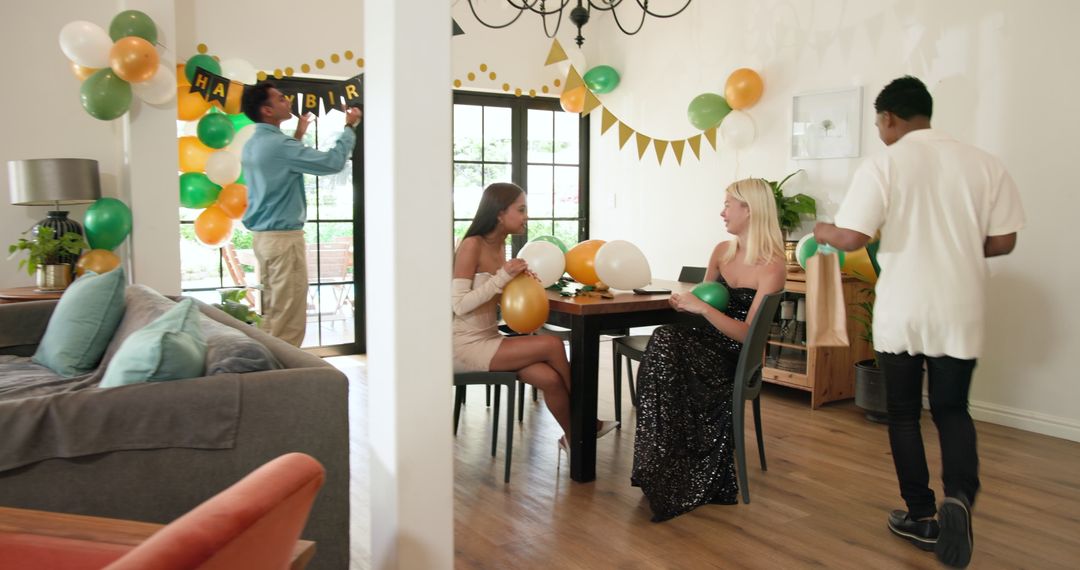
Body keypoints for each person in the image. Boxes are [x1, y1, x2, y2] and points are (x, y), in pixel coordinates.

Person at [813, 76, 1024, 568]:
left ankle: (921, 516)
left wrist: (823, 229)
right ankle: (960, 500)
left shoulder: (884, 164)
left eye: (878, 123)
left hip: (904, 308)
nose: (879, 131)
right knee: (952, 410)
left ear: (888, 118)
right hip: (960, 307)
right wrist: (958, 245)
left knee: (905, 414)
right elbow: (1003, 241)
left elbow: (852, 237)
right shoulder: (984, 162)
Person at [632, 178, 786, 521]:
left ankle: (670, 465)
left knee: (665, 343)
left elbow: (747, 336)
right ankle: (661, 462)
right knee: (664, 338)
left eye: (728, 204)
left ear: (750, 209)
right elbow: (703, 302)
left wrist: (701, 308)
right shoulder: (721, 252)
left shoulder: (772, 266)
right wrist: (685, 304)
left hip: (733, 357)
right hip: (703, 343)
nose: (722, 212)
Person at [452, 182, 617, 465]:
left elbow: (494, 297)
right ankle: (588, 419)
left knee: (549, 379)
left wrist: (519, 283)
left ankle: (573, 438)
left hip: (490, 338)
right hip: (465, 346)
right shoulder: (471, 245)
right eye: (521, 209)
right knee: (552, 344)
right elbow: (458, 305)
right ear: (500, 213)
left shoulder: (500, 246)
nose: (526, 216)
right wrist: (504, 277)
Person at [239, 82, 361, 346]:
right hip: (283, 241)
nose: (288, 101)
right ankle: (288, 371)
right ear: (267, 110)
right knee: (289, 320)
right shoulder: (279, 145)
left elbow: (278, 169)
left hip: (264, 239)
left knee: (274, 313)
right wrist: (350, 127)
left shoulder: (253, 143)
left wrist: (298, 135)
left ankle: (270, 367)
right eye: (281, 99)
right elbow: (332, 163)